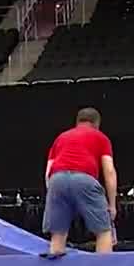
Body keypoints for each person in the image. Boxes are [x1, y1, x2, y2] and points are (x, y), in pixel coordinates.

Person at [44, 107, 118, 256]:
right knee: (103, 232)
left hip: (56, 179)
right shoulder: (100, 137)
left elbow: (48, 172)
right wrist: (112, 205)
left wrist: (53, 195)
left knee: (58, 233)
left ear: (77, 122)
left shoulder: (61, 137)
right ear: (97, 123)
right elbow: (109, 171)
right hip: (84, 178)